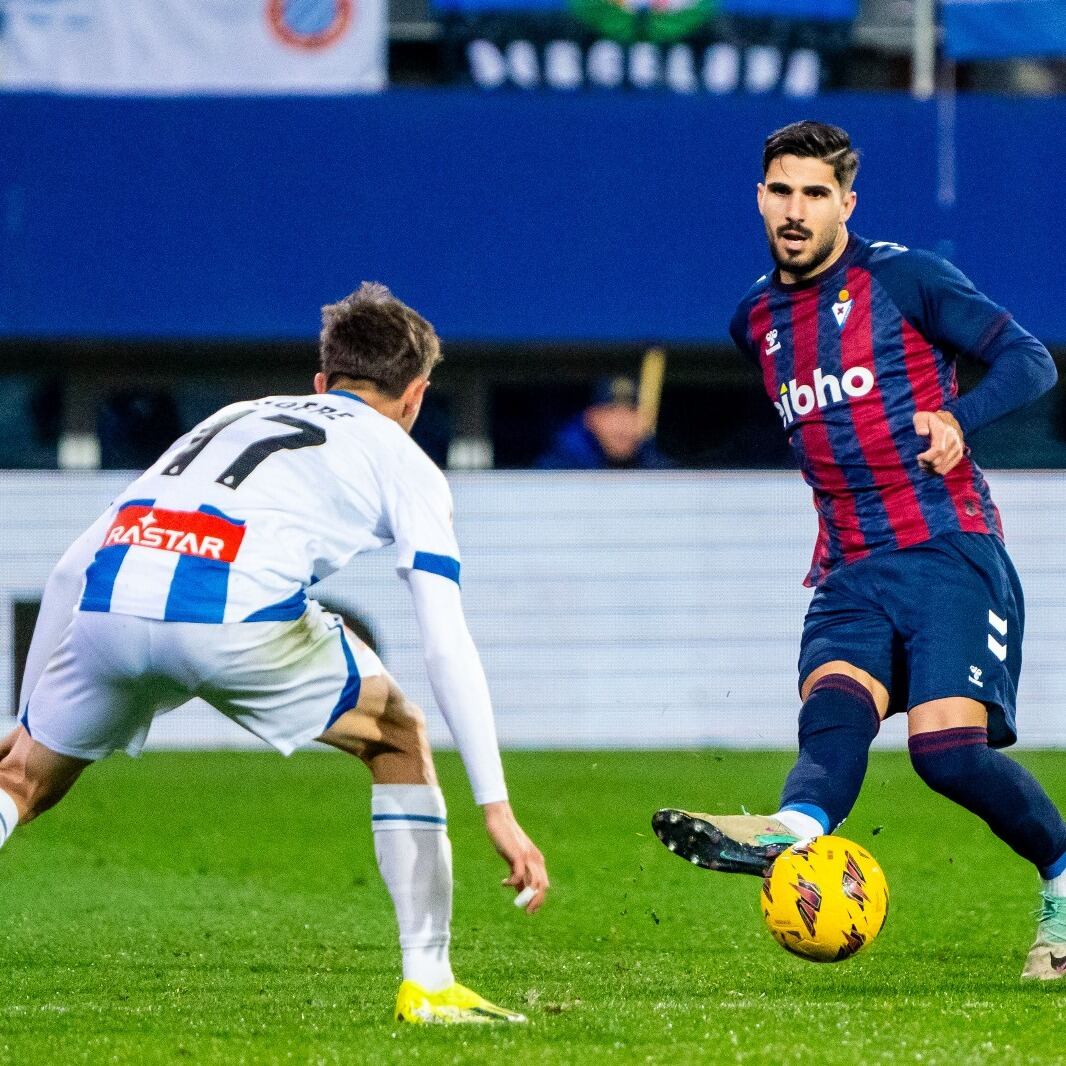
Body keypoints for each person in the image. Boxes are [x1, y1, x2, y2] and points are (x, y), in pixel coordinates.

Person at [5, 282, 549, 1022]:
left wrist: (26, 720)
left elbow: (73, 566)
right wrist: (497, 807)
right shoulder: (405, 458)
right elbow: (444, 637)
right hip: (232, 615)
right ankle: (429, 984)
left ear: (322, 381)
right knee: (397, 734)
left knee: (20, 783)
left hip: (112, 599)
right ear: (417, 396)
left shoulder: (232, 414)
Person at [652, 120, 1066, 980]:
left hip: (948, 547)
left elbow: (1030, 361)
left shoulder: (903, 279)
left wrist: (959, 418)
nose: (795, 211)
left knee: (945, 755)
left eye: (815, 194)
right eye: (781, 192)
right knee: (833, 710)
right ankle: (791, 834)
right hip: (846, 567)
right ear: (760, 197)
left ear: (847, 203)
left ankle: (1063, 881)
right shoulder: (755, 321)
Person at [535, 375, 671, 470]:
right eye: (611, 412)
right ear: (590, 418)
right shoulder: (557, 471)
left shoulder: (660, 470)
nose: (622, 424)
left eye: (632, 412)